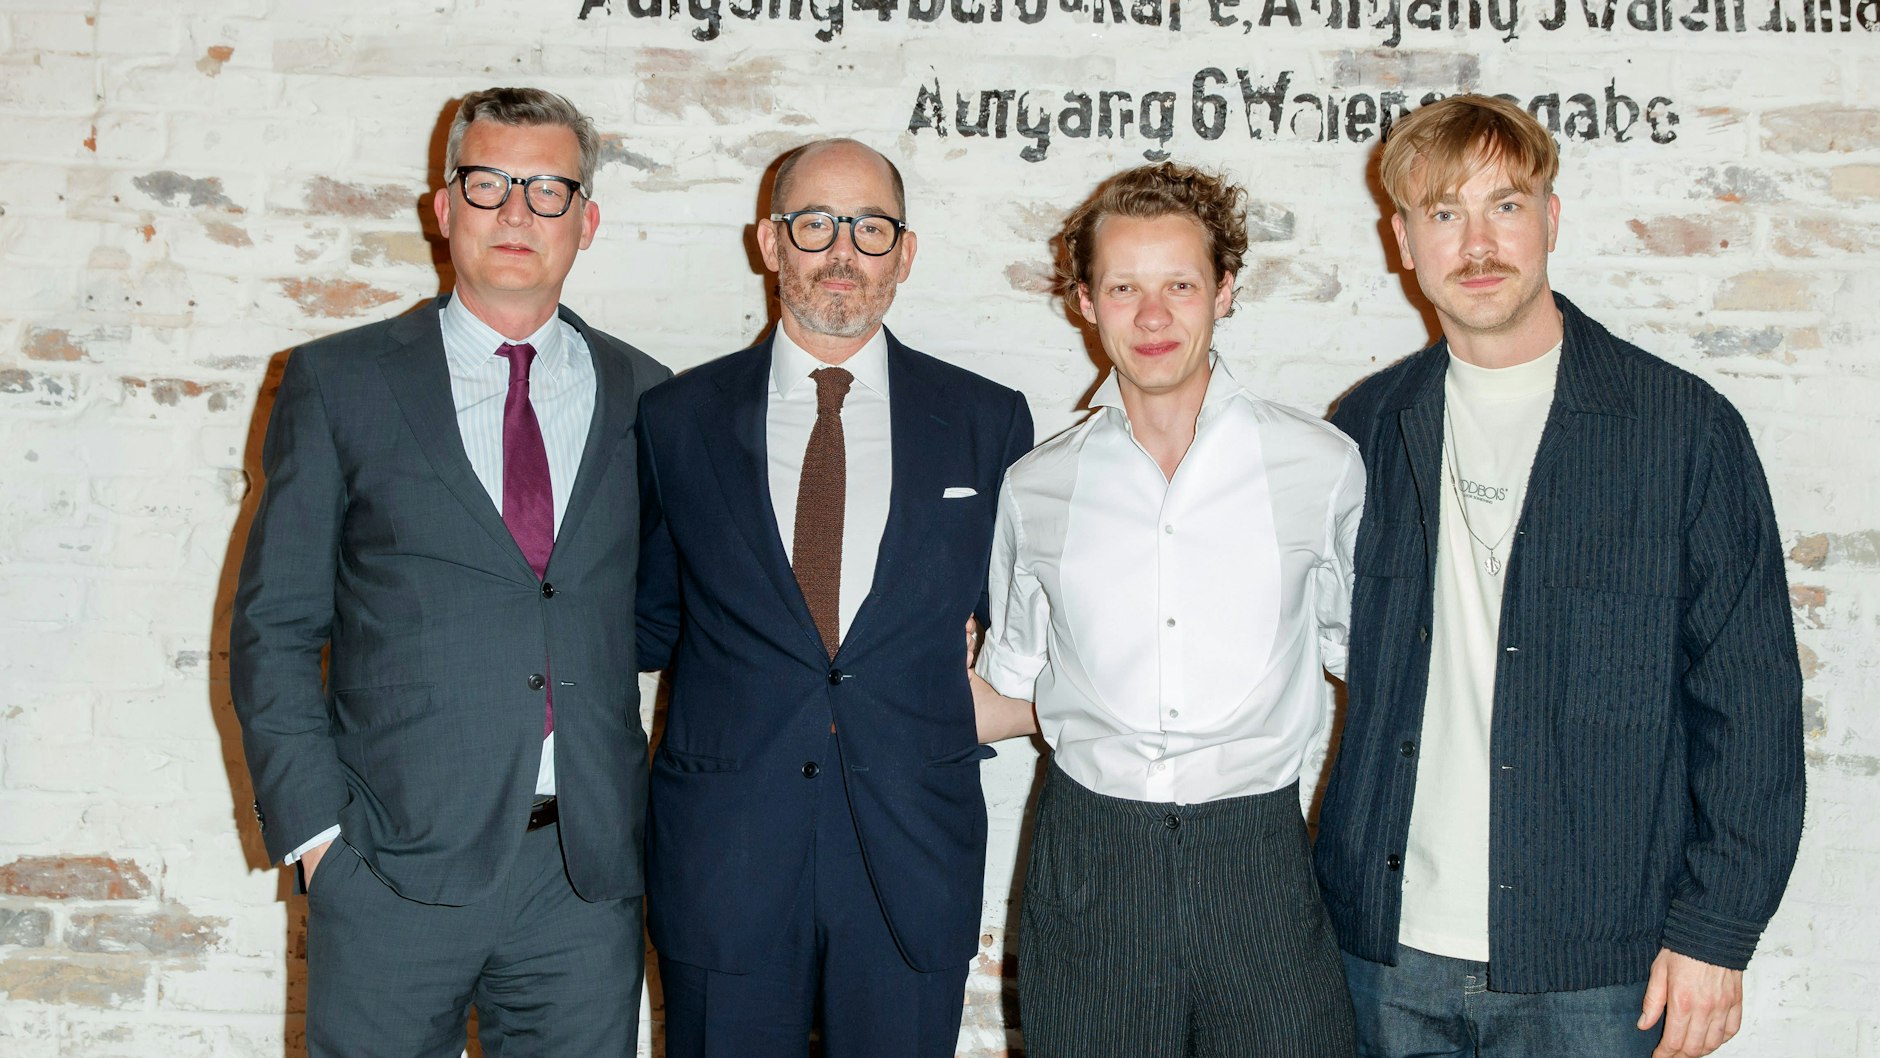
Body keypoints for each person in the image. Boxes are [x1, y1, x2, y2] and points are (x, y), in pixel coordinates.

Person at [1315, 93, 1805, 1058]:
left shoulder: (1681, 431)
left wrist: (1715, 932)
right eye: (1444, 213)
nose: (1478, 242)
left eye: (1505, 204)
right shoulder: (1365, 430)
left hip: (1596, 968)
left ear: (1551, 218)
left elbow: (1751, 706)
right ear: (1403, 242)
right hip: (1381, 955)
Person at [229, 87, 669, 1058]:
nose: (516, 212)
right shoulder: (339, 382)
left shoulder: (650, 397)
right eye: (488, 183)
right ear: (443, 207)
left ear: (585, 221)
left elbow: (671, 612)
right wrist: (315, 840)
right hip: (387, 869)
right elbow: (275, 626)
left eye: (548, 189)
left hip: (582, 880)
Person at [634, 138, 1034, 1058]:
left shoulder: (986, 419)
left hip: (911, 851)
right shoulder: (675, 420)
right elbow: (647, 619)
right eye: (815, 223)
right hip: (723, 854)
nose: (842, 250)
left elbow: (1032, 619)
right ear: (771, 243)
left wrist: (1021, 706)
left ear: (906, 250)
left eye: (870, 226)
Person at [970, 161, 1361, 1058]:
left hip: (1257, 857)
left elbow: (1370, 663)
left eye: (1179, 285)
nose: (1153, 317)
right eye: (1124, 288)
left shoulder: (1321, 467)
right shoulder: (1038, 488)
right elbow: (1008, 689)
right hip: (1090, 862)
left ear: (1225, 291)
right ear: (1084, 302)